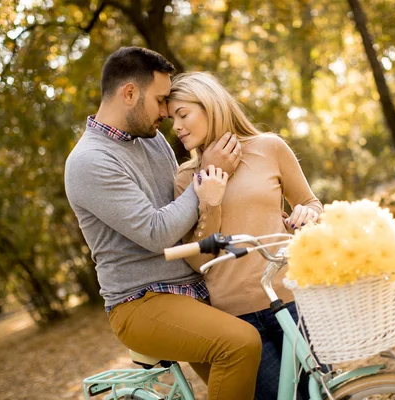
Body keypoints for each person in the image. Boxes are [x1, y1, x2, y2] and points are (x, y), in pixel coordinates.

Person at [64, 47, 262, 400]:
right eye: (159, 100)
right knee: (241, 344)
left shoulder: (153, 140)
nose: (166, 112)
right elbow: (158, 233)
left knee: (261, 385)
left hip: (194, 290)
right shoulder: (89, 162)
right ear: (129, 93)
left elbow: (189, 207)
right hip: (141, 303)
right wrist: (206, 173)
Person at [169, 71, 327, 400]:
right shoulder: (186, 179)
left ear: (210, 106)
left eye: (183, 114)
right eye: (172, 118)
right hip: (238, 322)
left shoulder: (269, 148)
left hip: (294, 303)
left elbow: (311, 203)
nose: (177, 127)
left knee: (322, 394)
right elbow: (199, 261)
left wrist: (307, 215)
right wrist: (210, 202)